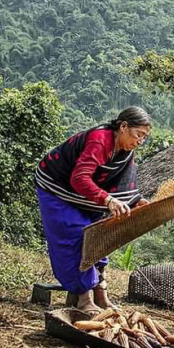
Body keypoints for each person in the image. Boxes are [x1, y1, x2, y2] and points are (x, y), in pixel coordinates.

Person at [34, 107, 153, 315]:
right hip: (58, 188)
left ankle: (100, 293)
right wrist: (108, 200)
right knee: (77, 236)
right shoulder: (100, 140)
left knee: (100, 235)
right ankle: (84, 298)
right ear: (123, 127)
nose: (140, 141)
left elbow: (124, 184)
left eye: (145, 137)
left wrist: (135, 202)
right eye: (138, 135)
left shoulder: (126, 150)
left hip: (87, 196)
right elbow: (79, 178)